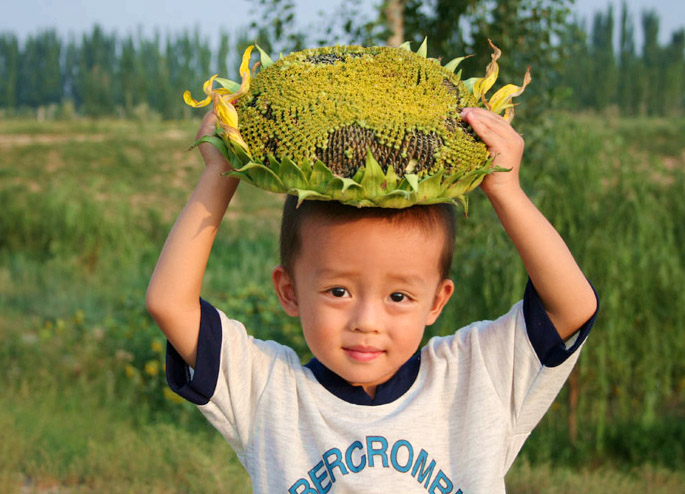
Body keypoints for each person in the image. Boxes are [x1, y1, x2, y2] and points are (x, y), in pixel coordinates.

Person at [146, 107, 598, 493]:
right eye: (338, 291)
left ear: (437, 301)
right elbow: (171, 304)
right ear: (289, 291)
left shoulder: (476, 378)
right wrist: (219, 174)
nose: (366, 321)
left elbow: (570, 306)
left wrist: (506, 189)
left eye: (398, 296)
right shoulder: (270, 394)